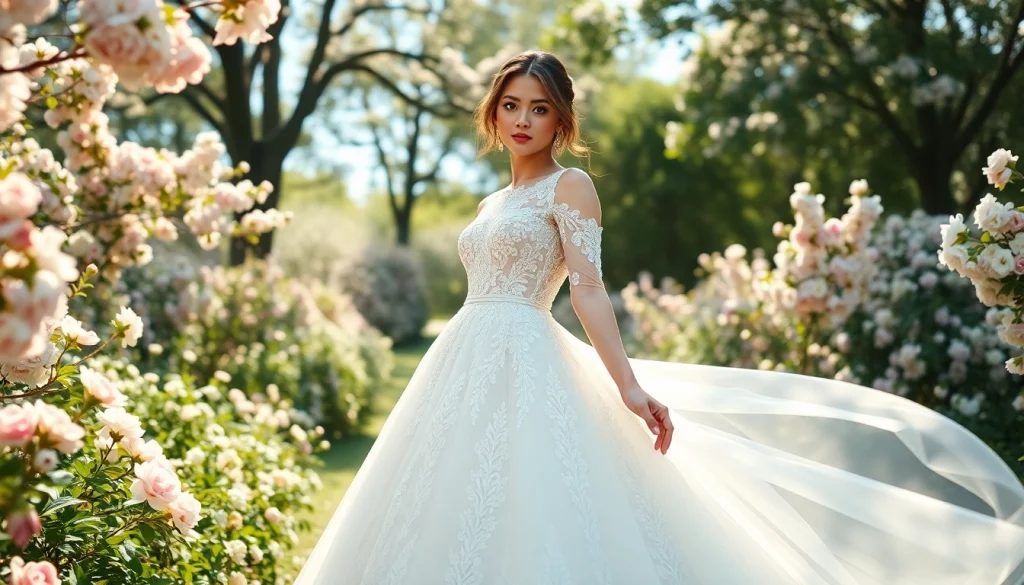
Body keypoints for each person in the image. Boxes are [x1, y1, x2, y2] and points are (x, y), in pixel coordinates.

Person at [294, 50, 1024, 585]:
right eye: (512, 104)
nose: (523, 119)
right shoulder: (490, 203)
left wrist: (629, 386)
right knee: (439, 500)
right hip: (460, 357)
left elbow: (587, 290)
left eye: (539, 107)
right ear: (494, 111)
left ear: (561, 119)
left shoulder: (570, 186)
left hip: (526, 347)